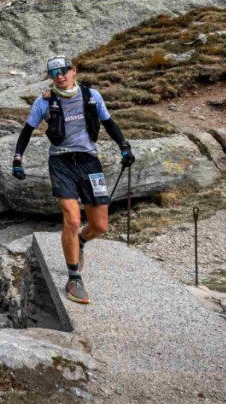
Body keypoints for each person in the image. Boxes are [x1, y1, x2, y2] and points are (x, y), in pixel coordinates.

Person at [11, 55, 135, 304]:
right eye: (54, 72)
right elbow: (26, 131)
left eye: (64, 70)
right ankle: (74, 276)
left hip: (90, 162)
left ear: (74, 71)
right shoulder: (43, 102)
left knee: (100, 226)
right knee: (72, 218)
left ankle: (80, 241)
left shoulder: (92, 96)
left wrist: (124, 146)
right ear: (50, 76)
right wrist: (17, 160)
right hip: (61, 162)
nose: (60, 75)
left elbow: (109, 123)